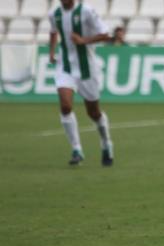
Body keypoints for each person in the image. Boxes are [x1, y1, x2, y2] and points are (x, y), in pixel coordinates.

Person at [48, 0, 114, 166]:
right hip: (65, 66)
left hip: (87, 68)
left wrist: (84, 40)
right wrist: (51, 51)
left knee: (93, 112)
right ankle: (76, 149)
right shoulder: (54, 14)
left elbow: (106, 34)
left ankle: (106, 143)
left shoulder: (86, 11)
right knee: (65, 106)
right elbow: (53, 31)